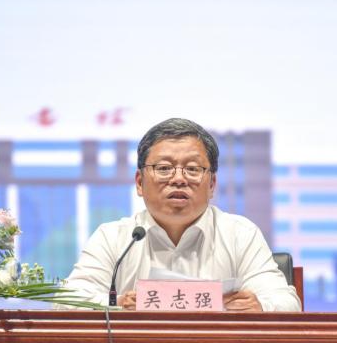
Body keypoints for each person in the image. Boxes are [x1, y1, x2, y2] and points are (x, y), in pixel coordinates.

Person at [64, 118, 301, 312]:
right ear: (139, 182)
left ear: (212, 184)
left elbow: (287, 303)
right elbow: (66, 302)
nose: (178, 179)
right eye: (164, 168)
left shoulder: (240, 234)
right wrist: (117, 305)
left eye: (193, 169)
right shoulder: (114, 237)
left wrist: (260, 307)